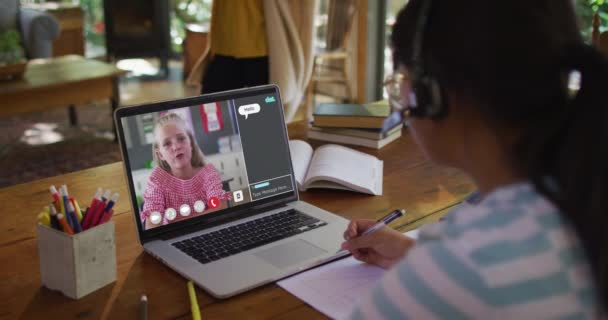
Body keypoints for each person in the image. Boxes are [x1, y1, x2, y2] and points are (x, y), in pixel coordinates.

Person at [341, 0, 606, 318]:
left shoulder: (467, 263)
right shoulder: (581, 193)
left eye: (401, 82)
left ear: (434, 94)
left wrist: (436, 270)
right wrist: (414, 254)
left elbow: (482, 272)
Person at [141, 113, 231, 230]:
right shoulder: (157, 180)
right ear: (160, 154)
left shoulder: (208, 173)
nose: (176, 147)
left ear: (191, 143)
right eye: (167, 143)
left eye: (181, 138)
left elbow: (219, 206)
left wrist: (175, 223)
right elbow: (151, 225)